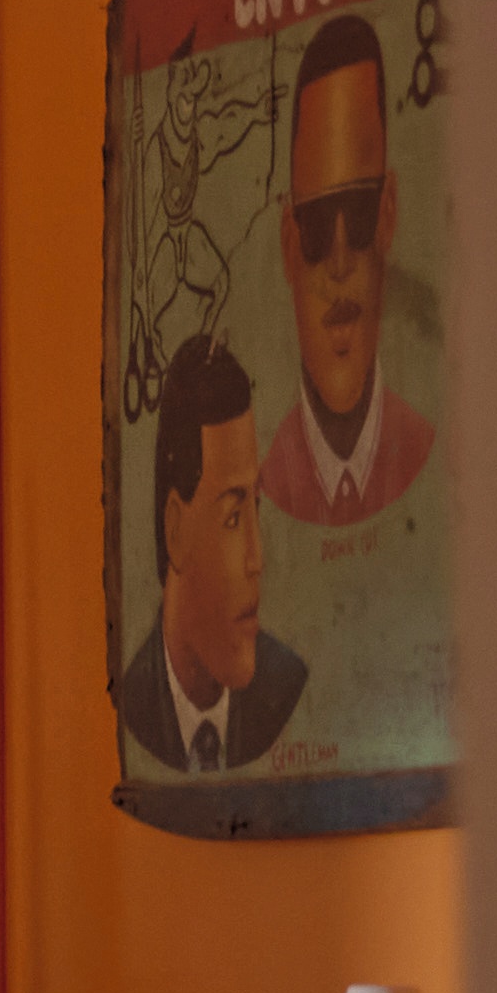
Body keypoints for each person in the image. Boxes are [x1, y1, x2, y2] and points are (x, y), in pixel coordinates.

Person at [258, 18, 435, 527]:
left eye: (357, 213)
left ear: (387, 215)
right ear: (290, 245)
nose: (338, 261)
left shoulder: (426, 453)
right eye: (316, 223)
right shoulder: (266, 482)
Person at [113, 332, 313, 774]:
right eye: (232, 518)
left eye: (254, 508)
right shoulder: (130, 705)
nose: (257, 559)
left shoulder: (285, 690)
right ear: (175, 531)